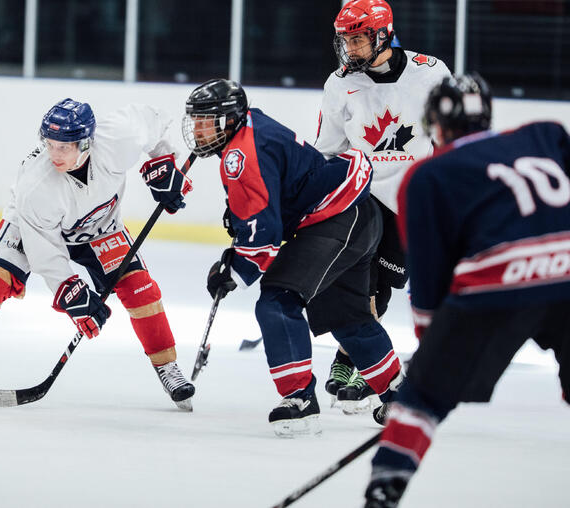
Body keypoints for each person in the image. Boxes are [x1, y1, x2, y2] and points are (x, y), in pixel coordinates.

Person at [363, 73, 570, 507]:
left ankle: (386, 486)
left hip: (497, 283)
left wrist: (431, 350)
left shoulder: (427, 175)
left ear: (436, 124)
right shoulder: (546, 135)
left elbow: (428, 276)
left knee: (422, 394)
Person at [0, 98, 196, 410]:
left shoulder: (118, 136)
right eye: (49, 144)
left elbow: (156, 122)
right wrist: (73, 296)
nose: (54, 154)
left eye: (63, 147)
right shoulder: (36, 186)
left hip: (100, 227)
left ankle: (167, 368)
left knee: (141, 289)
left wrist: (162, 164)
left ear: (86, 143)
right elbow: (46, 253)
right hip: (30, 226)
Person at [183, 78, 404, 437]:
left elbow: (266, 236)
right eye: (195, 120)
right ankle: (399, 394)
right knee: (346, 316)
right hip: (356, 216)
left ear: (229, 120)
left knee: (277, 298)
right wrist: (243, 230)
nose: (197, 129)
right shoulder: (250, 126)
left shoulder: (240, 155)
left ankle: (299, 400)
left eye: (206, 120)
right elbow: (272, 199)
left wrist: (235, 270)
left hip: (338, 218)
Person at [314, 0, 451, 413]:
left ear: (383, 35)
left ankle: (349, 358)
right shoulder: (339, 84)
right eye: (346, 40)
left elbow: (450, 136)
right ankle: (362, 361)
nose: (350, 48)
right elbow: (328, 148)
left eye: (358, 39)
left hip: (412, 201)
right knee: (361, 283)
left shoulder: (430, 73)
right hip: (363, 197)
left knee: (385, 285)